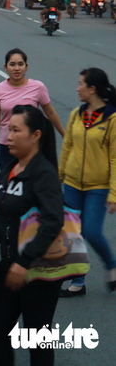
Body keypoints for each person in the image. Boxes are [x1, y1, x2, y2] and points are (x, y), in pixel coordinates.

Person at [0, 105, 65, 366]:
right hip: (10, 265)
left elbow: (53, 222)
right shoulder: (12, 169)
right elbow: (3, 211)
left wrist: (24, 262)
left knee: (36, 340)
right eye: (8, 129)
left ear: (36, 135)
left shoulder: (44, 174)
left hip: (38, 270)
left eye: (16, 130)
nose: (9, 136)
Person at [58, 68, 116, 297]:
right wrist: (59, 177)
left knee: (91, 231)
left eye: (80, 84)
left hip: (97, 187)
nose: (77, 87)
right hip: (72, 183)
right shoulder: (77, 114)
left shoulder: (112, 119)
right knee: (73, 233)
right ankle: (78, 281)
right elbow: (68, 147)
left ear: (92, 89)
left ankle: (111, 264)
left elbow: (114, 158)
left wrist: (113, 194)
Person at [0, 48, 65, 171]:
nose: (16, 68)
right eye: (12, 64)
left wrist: (64, 134)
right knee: (9, 183)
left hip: (30, 145)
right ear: (5, 67)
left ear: (26, 67)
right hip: (7, 145)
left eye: (20, 64)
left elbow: (50, 112)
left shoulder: (38, 87)